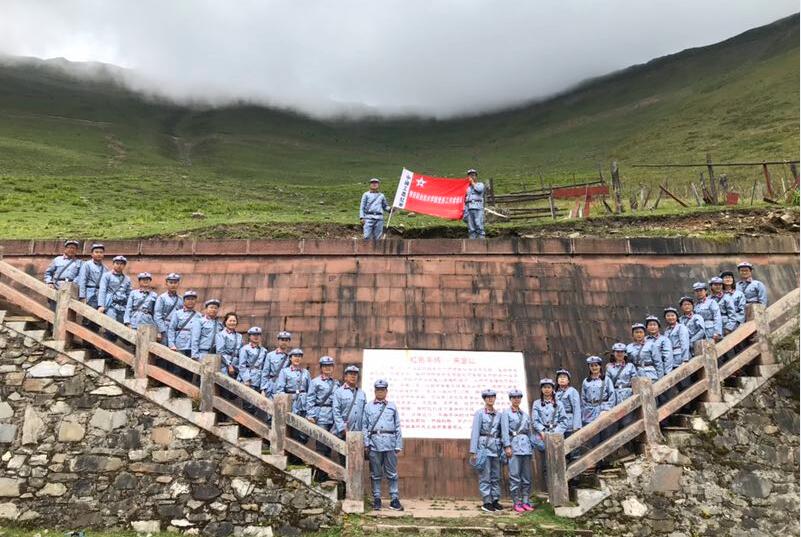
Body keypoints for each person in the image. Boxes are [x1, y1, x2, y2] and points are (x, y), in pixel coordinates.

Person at [363, 379, 403, 512]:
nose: (380, 392)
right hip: (374, 443)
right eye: (378, 390)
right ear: (375, 391)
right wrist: (366, 443)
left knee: (392, 473)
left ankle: (394, 499)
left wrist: (398, 444)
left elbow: (397, 426)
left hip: (390, 443)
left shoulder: (392, 406)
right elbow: (364, 426)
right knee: (375, 474)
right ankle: (377, 498)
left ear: (386, 391)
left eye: (383, 390)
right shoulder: (368, 407)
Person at [500, 388, 534, 513]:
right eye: (514, 397)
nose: (516, 399)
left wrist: (531, 446)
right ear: (510, 399)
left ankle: (526, 501)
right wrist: (507, 446)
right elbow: (504, 431)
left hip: (526, 448)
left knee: (526, 477)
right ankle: (516, 501)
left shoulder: (525, 415)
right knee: (514, 476)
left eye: (518, 397)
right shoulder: (506, 413)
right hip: (514, 447)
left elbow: (529, 432)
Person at [469, 389, 503, 513]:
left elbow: (501, 432)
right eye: (488, 397)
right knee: (485, 476)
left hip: (496, 448)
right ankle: (487, 501)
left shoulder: (499, 414)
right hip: (483, 448)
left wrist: (503, 447)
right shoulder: (479, 413)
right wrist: (473, 451)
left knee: (496, 476)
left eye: (492, 397)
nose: (490, 399)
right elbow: (475, 432)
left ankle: (495, 500)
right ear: (484, 399)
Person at [306, 356, 340, 471]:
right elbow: (310, 399)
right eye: (325, 366)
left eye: (330, 366)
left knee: (330, 445)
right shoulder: (315, 382)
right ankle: (320, 472)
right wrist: (310, 415)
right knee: (321, 444)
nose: (328, 368)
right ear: (321, 368)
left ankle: (327, 470)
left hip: (333, 416)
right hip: (321, 415)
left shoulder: (336, 383)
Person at [531, 379, 568, 477]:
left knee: (558, 461)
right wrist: (542, 431)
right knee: (546, 462)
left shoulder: (559, 403)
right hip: (543, 435)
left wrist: (556, 433)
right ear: (541, 389)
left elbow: (564, 421)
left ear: (552, 389)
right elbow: (535, 421)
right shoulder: (536, 403)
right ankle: (547, 482)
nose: (546, 389)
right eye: (544, 387)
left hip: (556, 435)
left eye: (549, 387)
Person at [275, 348, 312, 440]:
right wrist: (287, 400)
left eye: (299, 356)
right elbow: (280, 389)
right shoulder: (284, 371)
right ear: (290, 358)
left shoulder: (306, 372)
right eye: (295, 356)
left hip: (303, 404)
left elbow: (310, 391)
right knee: (292, 429)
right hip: (291, 403)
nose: (297, 358)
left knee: (304, 431)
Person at [581, 356, 615, 447]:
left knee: (605, 434)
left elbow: (612, 395)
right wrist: (586, 409)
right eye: (591, 366)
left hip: (603, 409)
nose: (594, 367)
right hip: (590, 411)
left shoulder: (606, 380)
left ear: (600, 366)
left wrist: (607, 409)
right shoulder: (586, 381)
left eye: (596, 365)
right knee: (593, 437)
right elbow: (583, 398)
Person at [97, 256, 132, 341]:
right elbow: (102, 290)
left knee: (121, 328)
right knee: (111, 326)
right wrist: (101, 305)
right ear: (113, 264)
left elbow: (129, 294)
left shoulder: (127, 279)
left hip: (122, 306)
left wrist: (129, 308)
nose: (119, 265)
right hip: (111, 305)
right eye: (117, 263)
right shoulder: (107, 276)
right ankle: (106, 347)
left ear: (124, 266)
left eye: (121, 264)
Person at [76, 243, 107, 332]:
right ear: (92, 254)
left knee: (97, 319)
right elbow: (82, 280)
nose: (99, 254)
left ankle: (94, 337)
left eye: (101, 252)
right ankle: (85, 339)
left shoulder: (105, 268)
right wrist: (82, 296)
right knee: (88, 318)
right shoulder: (87, 265)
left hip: (100, 295)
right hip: (89, 293)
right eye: (96, 252)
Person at [332, 365, 367, 439]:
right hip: (342, 432)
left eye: (355, 374)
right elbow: (336, 412)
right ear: (345, 377)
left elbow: (365, 413)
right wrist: (342, 428)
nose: (353, 376)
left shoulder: (362, 393)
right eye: (350, 374)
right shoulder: (339, 392)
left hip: (358, 432)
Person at [606, 343, 637, 418]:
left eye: (622, 352)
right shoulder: (609, 367)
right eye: (617, 352)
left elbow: (635, 380)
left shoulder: (630, 366)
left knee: (628, 417)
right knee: (616, 416)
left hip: (628, 393)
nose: (619, 354)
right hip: (615, 394)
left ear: (625, 353)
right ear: (614, 353)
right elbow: (607, 384)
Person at [259, 331, 293, 398]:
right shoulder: (270, 355)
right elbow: (265, 373)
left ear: (289, 342)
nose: (284, 342)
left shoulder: (291, 357)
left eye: (286, 340)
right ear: (278, 341)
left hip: (285, 387)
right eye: (282, 340)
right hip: (272, 386)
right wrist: (263, 389)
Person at [664, 307, 691, 388]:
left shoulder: (681, 327)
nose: (670, 317)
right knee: (678, 384)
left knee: (685, 382)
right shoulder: (667, 330)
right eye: (668, 316)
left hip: (680, 356)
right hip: (672, 359)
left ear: (676, 317)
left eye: (672, 315)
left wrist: (685, 359)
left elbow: (684, 343)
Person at [167, 290, 199, 358]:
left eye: (192, 299)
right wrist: (171, 344)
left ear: (195, 301)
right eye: (188, 299)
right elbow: (171, 329)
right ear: (184, 301)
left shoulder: (199, 316)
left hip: (193, 347)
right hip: (179, 345)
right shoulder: (177, 313)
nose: (190, 301)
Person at [154, 273, 183, 343]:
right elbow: (157, 315)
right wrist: (162, 330)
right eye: (171, 282)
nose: (173, 285)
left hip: (176, 328)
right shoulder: (162, 298)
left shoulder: (181, 299)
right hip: (165, 327)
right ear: (166, 283)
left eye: (175, 283)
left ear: (178, 284)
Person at [554, 369, 582, 442]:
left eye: (564, 377)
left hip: (569, 424)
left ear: (568, 380)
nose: (562, 379)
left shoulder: (572, 391)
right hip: (558, 425)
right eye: (560, 377)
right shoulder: (555, 393)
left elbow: (576, 409)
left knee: (571, 444)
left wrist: (576, 426)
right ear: (557, 380)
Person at [463, 168, 486, 239]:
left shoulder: (480, 184)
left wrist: (472, 183)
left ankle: (481, 241)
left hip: (478, 207)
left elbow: (479, 190)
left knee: (479, 224)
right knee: (471, 227)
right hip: (468, 208)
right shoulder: (467, 187)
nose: (471, 177)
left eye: (473, 175)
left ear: (476, 176)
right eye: (470, 176)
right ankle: (472, 241)